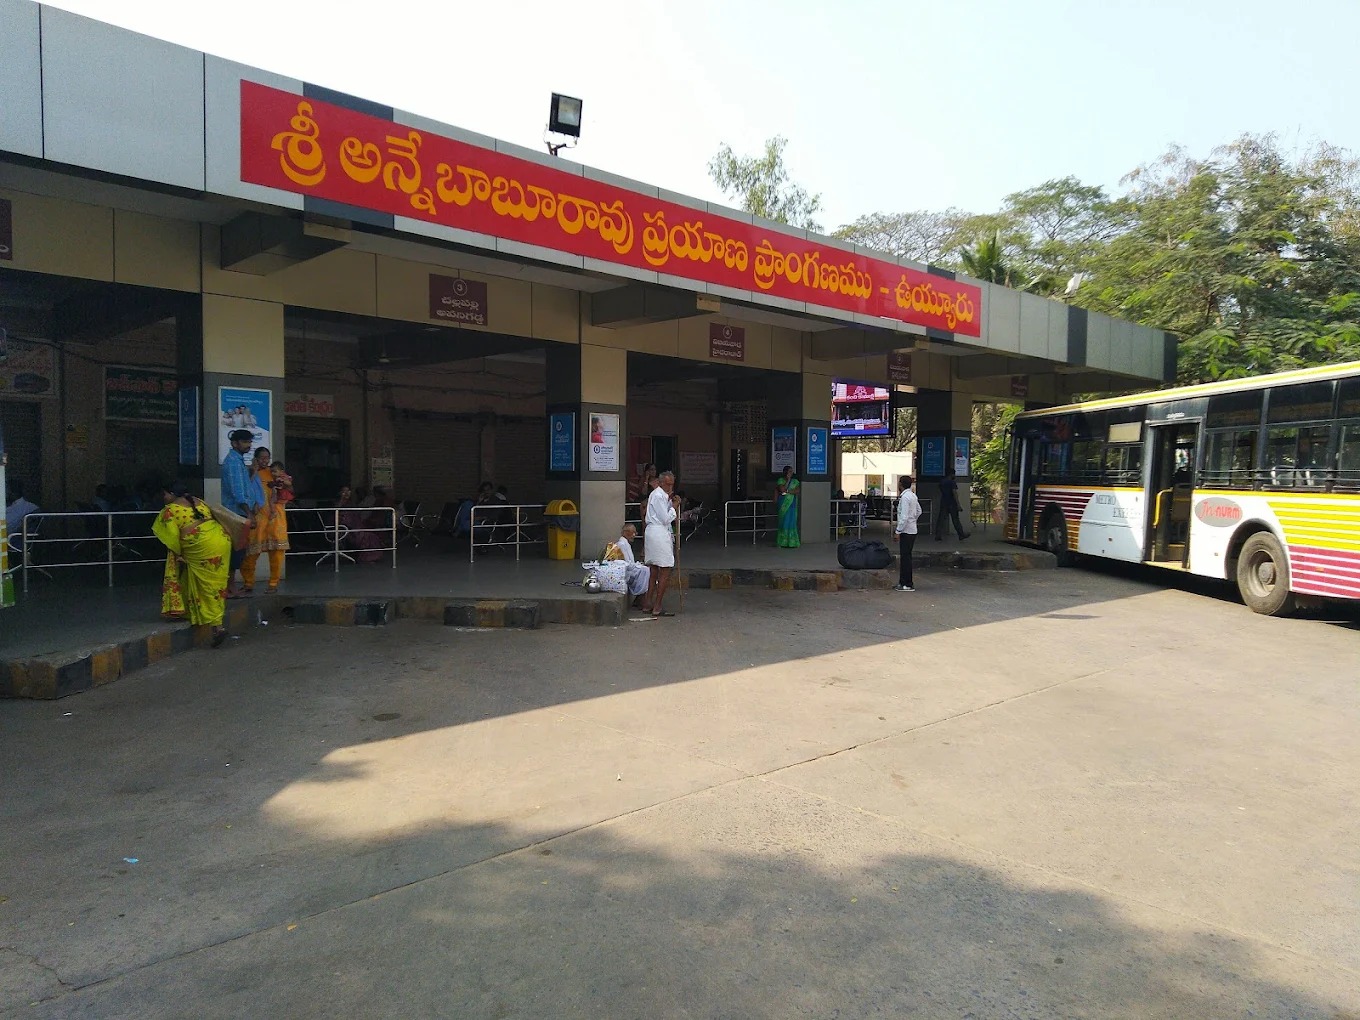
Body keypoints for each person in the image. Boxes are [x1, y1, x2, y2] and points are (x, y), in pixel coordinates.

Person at [152, 481, 232, 647]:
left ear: (172, 494)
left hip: (201, 545)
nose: (164, 498)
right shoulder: (199, 501)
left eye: (165, 494)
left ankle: (217, 626)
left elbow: (171, 539)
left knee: (207, 586)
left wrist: (179, 554)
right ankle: (190, 612)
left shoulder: (170, 510)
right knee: (216, 584)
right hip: (221, 540)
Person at [241, 446, 290, 594]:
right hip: (258, 516)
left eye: (267, 458)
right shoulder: (249, 472)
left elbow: (290, 488)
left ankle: (273, 583)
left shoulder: (275, 471)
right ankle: (248, 583)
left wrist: (283, 483)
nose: (265, 460)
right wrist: (253, 471)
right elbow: (244, 489)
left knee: (276, 553)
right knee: (251, 552)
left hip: (276, 517)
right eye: (262, 458)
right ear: (255, 458)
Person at [220, 429, 264, 597]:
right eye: (245, 442)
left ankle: (230, 586)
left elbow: (245, 488)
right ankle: (229, 587)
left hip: (242, 512)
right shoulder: (232, 462)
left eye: (249, 442)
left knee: (238, 551)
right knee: (234, 552)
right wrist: (249, 514)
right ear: (235, 443)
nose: (248, 445)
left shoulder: (239, 461)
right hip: (237, 514)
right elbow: (238, 492)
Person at [644, 469, 680, 618]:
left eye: (671, 484)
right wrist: (674, 507)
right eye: (667, 484)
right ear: (660, 483)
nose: (669, 487)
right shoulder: (658, 495)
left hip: (654, 533)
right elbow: (665, 518)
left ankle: (647, 604)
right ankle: (657, 606)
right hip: (658, 533)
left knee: (654, 570)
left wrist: (670, 502)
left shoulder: (661, 495)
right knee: (664, 570)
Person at [607, 523, 651, 609]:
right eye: (633, 532)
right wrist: (639, 566)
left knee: (646, 570)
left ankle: (639, 598)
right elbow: (627, 564)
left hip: (629, 569)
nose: (634, 535)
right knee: (646, 571)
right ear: (626, 533)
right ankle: (640, 599)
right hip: (625, 572)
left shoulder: (625, 543)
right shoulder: (622, 544)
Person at [337, 484, 383, 563]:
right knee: (366, 537)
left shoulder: (351, 503)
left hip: (355, 527)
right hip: (345, 528)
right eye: (344, 491)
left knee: (371, 536)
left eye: (348, 491)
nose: (347, 493)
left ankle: (370, 557)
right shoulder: (338, 504)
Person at [895, 474, 922, 592]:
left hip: (906, 531)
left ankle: (907, 583)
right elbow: (919, 511)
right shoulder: (913, 496)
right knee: (907, 557)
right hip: (912, 529)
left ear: (900, 484)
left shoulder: (905, 498)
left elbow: (904, 516)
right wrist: (913, 520)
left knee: (905, 558)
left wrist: (898, 531)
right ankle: (904, 582)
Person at [934, 467, 971, 541]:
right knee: (956, 520)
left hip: (944, 502)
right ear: (951, 474)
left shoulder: (942, 482)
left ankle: (938, 535)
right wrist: (958, 504)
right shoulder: (952, 482)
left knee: (941, 519)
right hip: (952, 503)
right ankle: (961, 534)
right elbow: (954, 493)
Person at [776, 464, 801, 548]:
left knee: (792, 522)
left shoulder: (795, 481)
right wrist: (788, 480)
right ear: (785, 472)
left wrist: (788, 491)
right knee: (784, 522)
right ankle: (782, 542)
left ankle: (792, 542)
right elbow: (782, 489)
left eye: (792, 471)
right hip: (783, 504)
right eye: (789, 471)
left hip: (792, 504)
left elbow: (797, 491)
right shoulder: (781, 480)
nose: (791, 473)